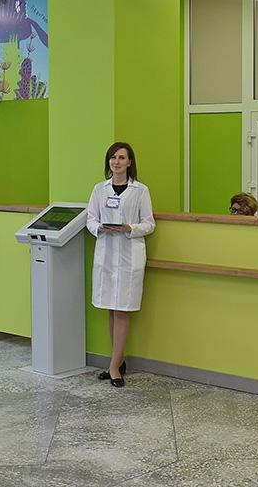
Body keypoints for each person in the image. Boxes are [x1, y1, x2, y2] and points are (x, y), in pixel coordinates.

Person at [86, 141, 155, 388]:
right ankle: (118, 360)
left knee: (122, 310)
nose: (117, 162)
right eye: (113, 157)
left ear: (130, 162)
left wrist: (130, 228)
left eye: (122, 158)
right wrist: (99, 228)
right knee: (110, 308)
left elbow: (149, 224)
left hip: (128, 256)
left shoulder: (140, 191)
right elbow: (90, 219)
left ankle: (114, 367)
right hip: (106, 254)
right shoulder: (99, 189)